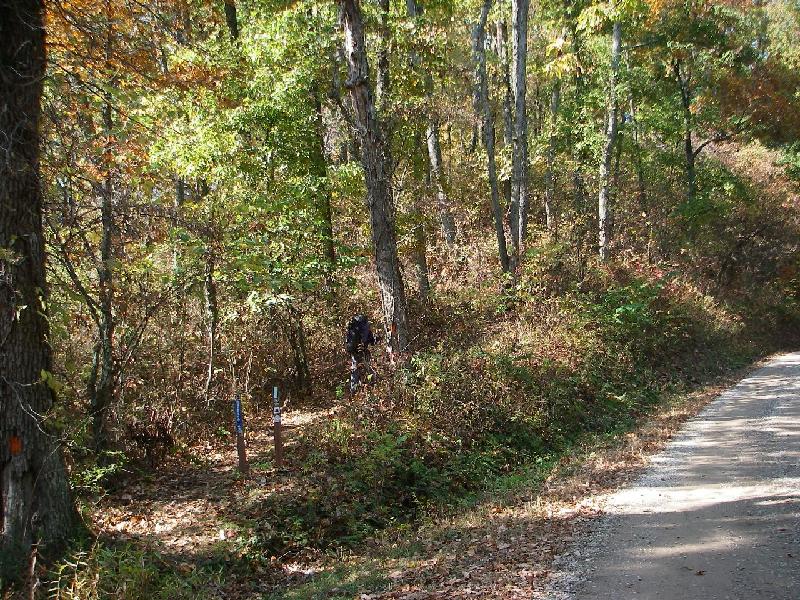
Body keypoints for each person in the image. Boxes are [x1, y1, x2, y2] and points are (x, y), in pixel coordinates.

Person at [346, 314, 377, 393]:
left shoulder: (353, 327)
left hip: (353, 351)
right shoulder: (365, 328)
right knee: (369, 370)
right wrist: (378, 338)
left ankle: (354, 391)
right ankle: (372, 388)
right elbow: (372, 341)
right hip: (363, 352)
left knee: (355, 370)